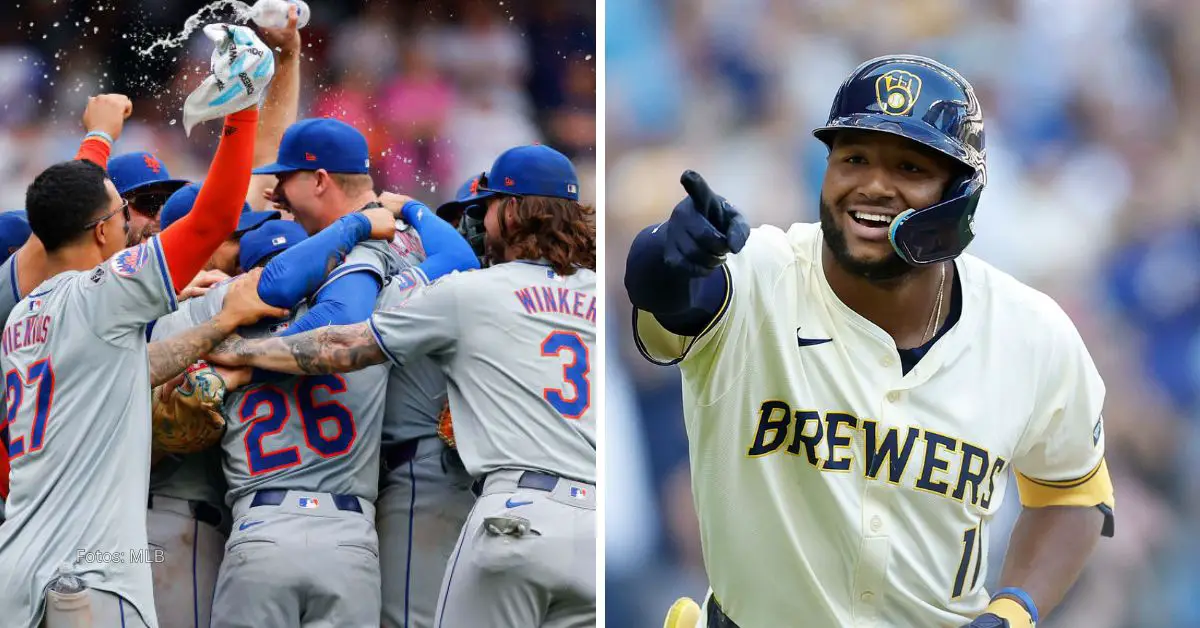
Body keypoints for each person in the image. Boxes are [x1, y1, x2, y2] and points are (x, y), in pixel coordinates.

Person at [625, 54, 1114, 628]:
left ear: (962, 198)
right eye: (853, 158)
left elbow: (1073, 493)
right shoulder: (755, 272)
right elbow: (669, 292)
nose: (874, 186)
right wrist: (667, 254)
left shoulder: (1032, 333)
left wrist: (1014, 611)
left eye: (910, 168)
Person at [205, 144, 598, 628]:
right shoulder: (597, 292)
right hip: (594, 527)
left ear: (513, 212)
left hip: (512, 511)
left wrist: (236, 353)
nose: (479, 221)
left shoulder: (472, 292)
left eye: (489, 206)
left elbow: (340, 347)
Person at [0, 60, 280, 628]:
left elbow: (133, 365)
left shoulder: (20, 318)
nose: (129, 224)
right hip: (89, 579)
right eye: (121, 213)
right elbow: (214, 219)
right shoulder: (100, 296)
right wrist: (244, 107)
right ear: (103, 230)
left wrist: (213, 327)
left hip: (18, 570)